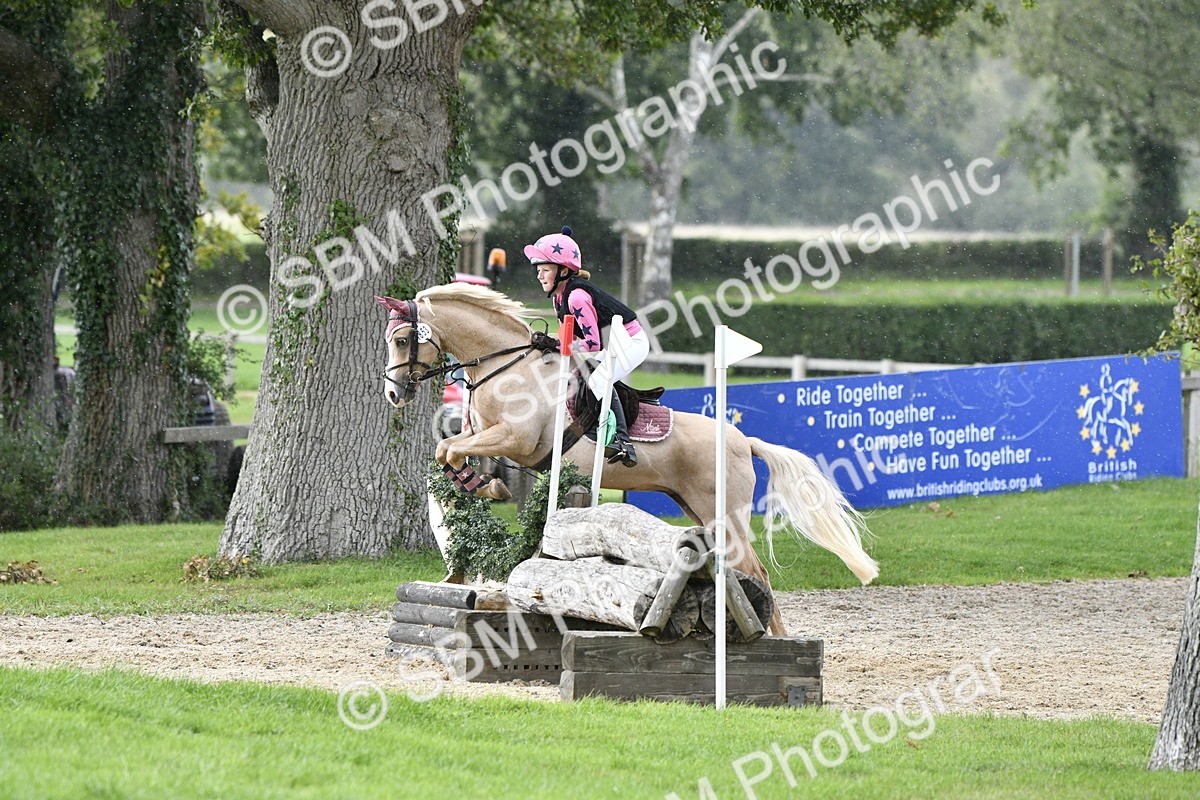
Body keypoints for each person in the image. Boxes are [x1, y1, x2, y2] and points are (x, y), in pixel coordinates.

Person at [525, 225, 650, 467]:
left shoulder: (576, 297)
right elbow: (567, 340)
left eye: (545, 270)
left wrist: (558, 344)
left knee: (598, 381)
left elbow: (592, 343)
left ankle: (624, 443)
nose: (540, 276)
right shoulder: (559, 298)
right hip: (611, 342)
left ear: (563, 271)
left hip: (629, 342)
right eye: (538, 270)